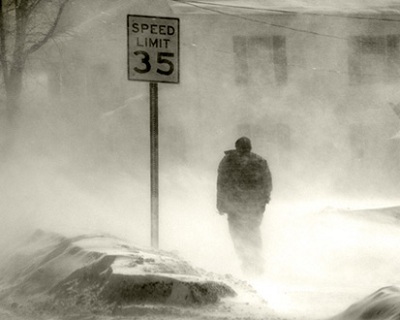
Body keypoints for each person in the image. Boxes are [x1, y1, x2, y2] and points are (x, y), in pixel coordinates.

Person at [217, 137, 272, 276]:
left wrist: (221, 203)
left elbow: (221, 183)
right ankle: (256, 263)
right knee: (253, 232)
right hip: (253, 206)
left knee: (237, 234)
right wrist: (264, 202)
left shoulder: (228, 161)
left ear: (237, 147)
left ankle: (247, 263)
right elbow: (267, 184)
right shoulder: (260, 161)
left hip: (234, 206)